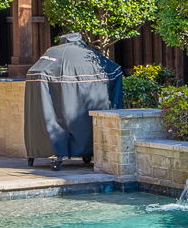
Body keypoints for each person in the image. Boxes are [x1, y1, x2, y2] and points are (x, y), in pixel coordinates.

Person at [25, 31, 121, 166]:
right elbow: (114, 70)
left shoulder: (53, 53)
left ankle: (56, 152)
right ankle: (85, 150)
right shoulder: (89, 55)